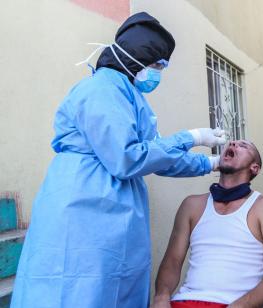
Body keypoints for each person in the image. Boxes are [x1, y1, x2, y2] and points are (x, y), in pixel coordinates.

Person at [11, 12, 227, 308]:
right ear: (137, 58)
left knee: (114, 287)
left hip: (117, 213)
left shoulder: (131, 96)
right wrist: (190, 137)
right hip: (84, 207)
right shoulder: (101, 90)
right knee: (78, 290)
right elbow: (126, 159)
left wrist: (211, 164)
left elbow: (155, 157)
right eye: (156, 65)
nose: (158, 73)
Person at [153, 140, 263, 308]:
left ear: (254, 168)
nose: (233, 144)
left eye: (244, 146)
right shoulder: (191, 205)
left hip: (235, 304)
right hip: (185, 301)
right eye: (231, 143)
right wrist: (161, 296)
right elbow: (173, 261)